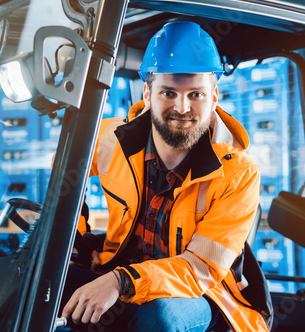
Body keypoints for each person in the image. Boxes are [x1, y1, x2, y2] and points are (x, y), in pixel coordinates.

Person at [60, 21, 272, 332]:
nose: (182, 107)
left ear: (214, 98)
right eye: (169, 92)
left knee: (161, 317)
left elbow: (200, 270)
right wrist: (72, 239)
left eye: (195, 94)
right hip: (119, 272)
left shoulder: (239, 175)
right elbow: (64, 170)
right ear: (147, 93)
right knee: (24, 278)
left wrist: (120, 281)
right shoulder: (109, 139)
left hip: (199, 295)